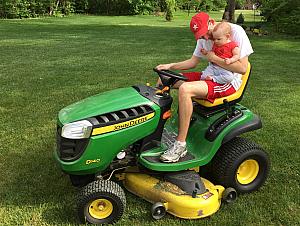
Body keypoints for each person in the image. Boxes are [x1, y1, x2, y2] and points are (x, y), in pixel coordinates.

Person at [157, 12, 253, 163]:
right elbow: (193, 62)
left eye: (206, 34)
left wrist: (214, 58)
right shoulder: (203, 37)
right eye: (201, 36)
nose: (205, 38)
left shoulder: (235, 32)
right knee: (164, 79)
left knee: (185, 89)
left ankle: (180, 145)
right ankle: (156, 130)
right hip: (210, 74)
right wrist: (169, 66)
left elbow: (242, 68)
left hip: (226, 81)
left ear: (211, 23)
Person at [200, 21, 241, 95]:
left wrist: (231, 60)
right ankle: (206, 83)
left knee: (229, 77)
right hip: (213, 67)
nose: (215, 41)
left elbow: (237, 55)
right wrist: (205, 52)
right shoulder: (216, 44)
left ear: (227, 37)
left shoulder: (232, 45)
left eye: (218, 39)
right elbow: (212, 53)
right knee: (203, 76)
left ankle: (214, 79)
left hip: (224, 69)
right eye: (214, 39)